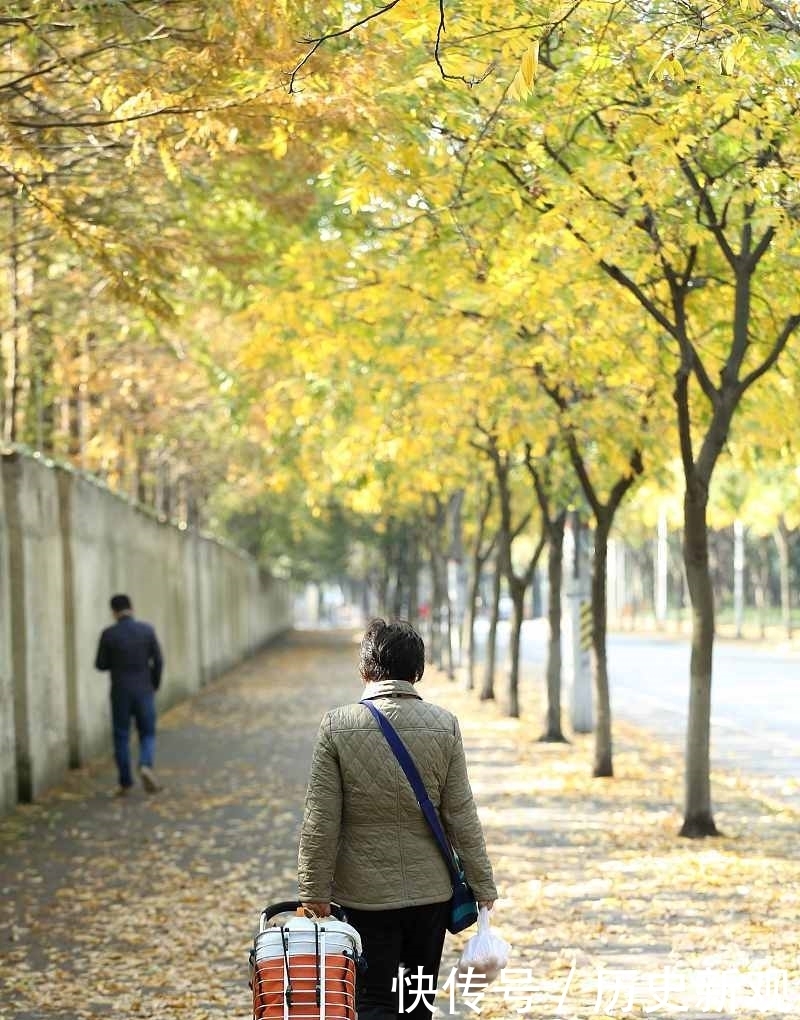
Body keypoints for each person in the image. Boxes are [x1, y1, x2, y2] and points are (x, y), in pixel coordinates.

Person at [297, 618, 497, 1020]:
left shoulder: (338, 726)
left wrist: (312, 892)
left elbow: (321, 819)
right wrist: (482, 884)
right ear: (417, 671)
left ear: (365, 669)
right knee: (415, 998)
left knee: (373, 1001)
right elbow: (461, 814)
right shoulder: (444, 725)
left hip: (363, 895)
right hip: (431, 894)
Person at [95, 594, 164, 796]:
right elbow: (158, 661)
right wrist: (154, 684)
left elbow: (100, 664)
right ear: (131, 608)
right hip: (144, 689)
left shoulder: (109, 634)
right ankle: (145, 764)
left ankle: (125, 782)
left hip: (120, 691)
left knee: (121, 736)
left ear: (113, 612)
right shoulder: (147, 630)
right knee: (148, 732)